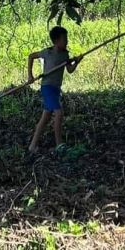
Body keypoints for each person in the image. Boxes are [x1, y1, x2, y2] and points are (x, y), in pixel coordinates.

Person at [27, 25, 80, 156]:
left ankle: (32, 146)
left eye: (67, 39)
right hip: (47, 87)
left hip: (56, 89)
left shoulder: (65, 54)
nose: (66, 42)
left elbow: (70, 70)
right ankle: (59, 144)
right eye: (64, 39)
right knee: (59, 112)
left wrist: (76, 62)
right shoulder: (48, 52)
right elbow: (31, 56)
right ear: (56, 41)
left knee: (45, 117)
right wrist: (30, 75)